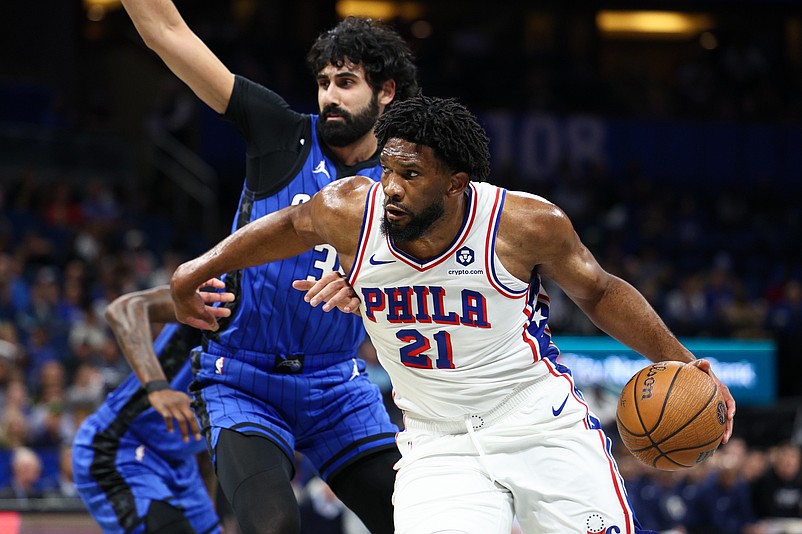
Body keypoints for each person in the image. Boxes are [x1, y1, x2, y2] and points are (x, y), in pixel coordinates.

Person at [170, 95, 737, 534]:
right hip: (438, 442)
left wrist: (684, 363)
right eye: (387, 170)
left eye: (410, 176)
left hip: (537, 420)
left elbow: (599, 292)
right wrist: (194, 271)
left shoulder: (524, 224)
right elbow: (288, 228)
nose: (390, 187)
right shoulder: (351, 212)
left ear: (457, 183)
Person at [119, 2, 419, 533]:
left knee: (417, 520)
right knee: (274, 525)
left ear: (386, 92)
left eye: (346, 81)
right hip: (241, 379)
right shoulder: (281, 131)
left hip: (336, 386)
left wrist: (371, 286)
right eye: (323, 81)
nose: (329, 95)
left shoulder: (407, 180)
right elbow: (165, 31)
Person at [72, 282, 232, 534]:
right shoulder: (220, 296)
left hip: (182, 463)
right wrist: (157, 386)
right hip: (119, 448)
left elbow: (205, 442)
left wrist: (207, 510)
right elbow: (124, 308)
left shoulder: (276, 350)